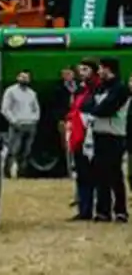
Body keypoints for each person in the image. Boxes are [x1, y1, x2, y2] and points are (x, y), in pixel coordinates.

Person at [80, 57, 129, 222]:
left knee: (114, 174)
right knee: (100, 174)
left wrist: (94, 110)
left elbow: (106, 108)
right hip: (98, 134)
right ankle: (103, 211)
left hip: (114, 135)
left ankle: (121, 210)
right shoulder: (100, 88)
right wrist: (94, 109)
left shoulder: (121, 89)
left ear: (109, 69)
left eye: (101, 69)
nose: (99, 72)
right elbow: (86, 105)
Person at [67, 59, 98, 221]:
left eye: (85, 69)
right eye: (81, 70)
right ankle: (84, 209)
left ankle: (100, 209)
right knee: (82, 174)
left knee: (96, 175)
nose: (82, 73)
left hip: (93, 136)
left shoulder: (97, 90)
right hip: (79, 136)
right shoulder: (80, 90)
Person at [1, 69, 40, 179]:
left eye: (27, 77)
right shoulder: (11, 91)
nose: (24, 79)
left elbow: (36, 109)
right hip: (17, 125)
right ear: (17, 78)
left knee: (27, 151)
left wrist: (34, 120)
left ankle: (22, 173)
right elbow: (5, 109)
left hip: (30, 125)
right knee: (13, 150)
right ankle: (7, 172)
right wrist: (13, 121)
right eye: (22, 77)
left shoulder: (32, 93)